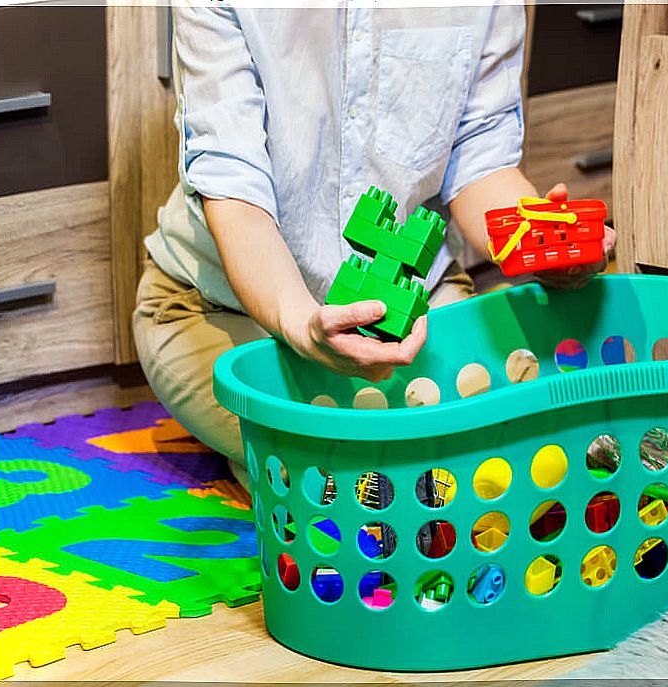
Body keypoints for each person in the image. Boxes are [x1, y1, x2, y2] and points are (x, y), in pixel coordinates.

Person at [132, 5, 616, 486]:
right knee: (365, 472)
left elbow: (479, 157)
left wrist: (545, 245)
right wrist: (302, 325)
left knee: (517, 446)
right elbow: (236, 189)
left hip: (412, 305)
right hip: (219, 309)